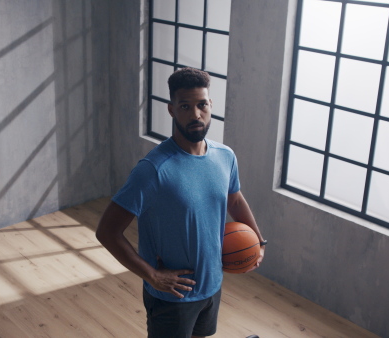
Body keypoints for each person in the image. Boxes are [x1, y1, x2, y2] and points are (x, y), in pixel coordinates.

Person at [96, 67, 266, 338]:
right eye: (185, 106)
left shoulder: (225, 157)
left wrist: (258, 241)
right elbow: (107, 231)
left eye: (202, 105)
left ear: (211, 105)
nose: (196, 114)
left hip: (212, 284)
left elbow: (235, 200)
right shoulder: (153, 170)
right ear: (172, 110)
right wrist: (152, 275)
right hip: (172, 295)